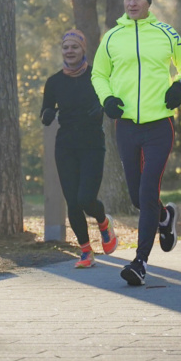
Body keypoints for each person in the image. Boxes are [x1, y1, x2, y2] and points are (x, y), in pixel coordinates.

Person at [91, 0, 181, 286]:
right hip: (125, 126)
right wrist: (107, 98)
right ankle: (164, 217)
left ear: (148, 2)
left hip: (159, 125)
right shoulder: (111, 38)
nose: (132, 2)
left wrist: (179, 85)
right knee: (139, 197)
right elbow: (99, 73)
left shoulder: (166, 33)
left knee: (148, 190)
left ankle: (139, 262)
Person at [40, 29, 118, 268]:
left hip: (92, 144)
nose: (70, 51)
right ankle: (85, 251)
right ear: (62, 51)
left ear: (83, 49)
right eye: (66, 47)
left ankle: (104, 223)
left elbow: (112, 101)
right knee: (72, 202)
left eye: (74, 47)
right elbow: (44, 114)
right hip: (66, 146)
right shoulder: (54, 82)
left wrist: (102, 108)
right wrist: (48, 114)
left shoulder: (97, 76)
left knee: (86, 198)